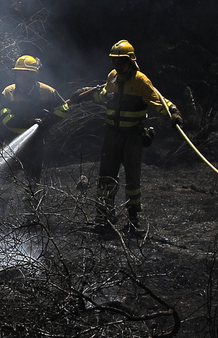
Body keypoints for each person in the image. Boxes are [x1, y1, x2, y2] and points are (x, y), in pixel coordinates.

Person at [68, 40, 183, 232]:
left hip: (132, 137)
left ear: (130, 60)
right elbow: (105, 95)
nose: (116, 64)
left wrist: (173, 112)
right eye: (114, 60)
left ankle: (133, 220)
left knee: (132, 178)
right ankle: (104, 218)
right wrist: (86, 95)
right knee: (106, 177)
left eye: (120, 60)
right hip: (111, 135)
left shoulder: (141, 81)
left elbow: (158, 101)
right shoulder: (112, 76)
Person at [0, 55, 69, 184]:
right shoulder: (8, 92)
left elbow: (63, 109)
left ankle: (31, 202)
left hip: (36, 141)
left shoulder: (48, 91)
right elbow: (6, 119)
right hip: (12, 139)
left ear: (34, 75)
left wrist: (48, 121)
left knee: (33, 176)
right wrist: (28, 122)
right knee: (6, 176)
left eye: (25, 74)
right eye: (19, 74)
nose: (22, 78)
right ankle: (0, 203)